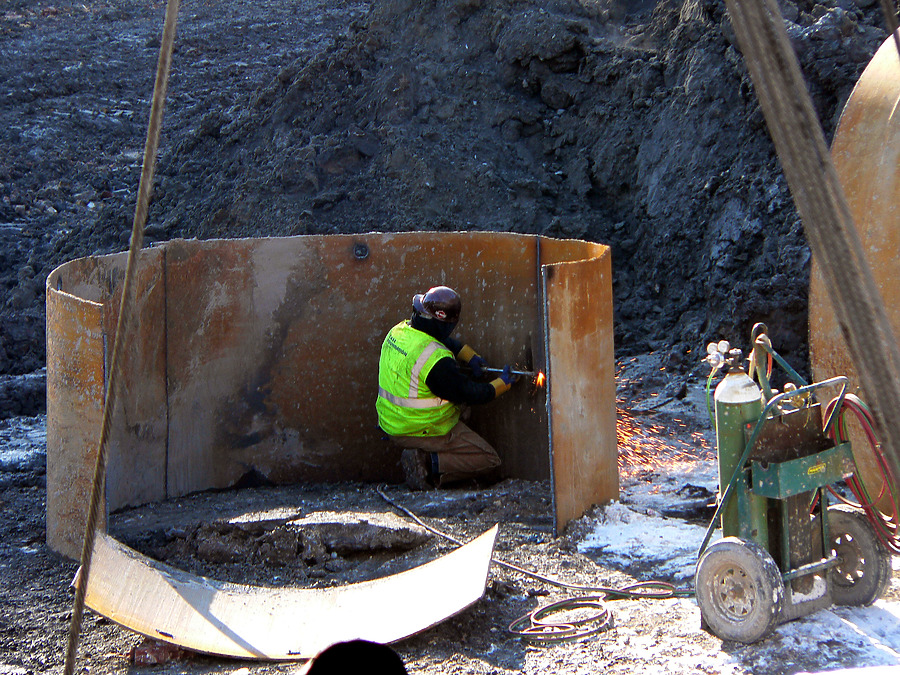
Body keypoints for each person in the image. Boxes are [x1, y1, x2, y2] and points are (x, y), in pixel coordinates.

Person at [376, 285, 519, 490]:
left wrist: (467, 355)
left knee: (463, 411)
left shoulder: (399, 331)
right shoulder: (436, 362)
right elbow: (468, 392)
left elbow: (436, 338)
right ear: (445, 324)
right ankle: (427, 462)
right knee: (489, 459)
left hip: (392, 420)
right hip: (416, 428)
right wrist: (502, 384)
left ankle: (429, 454)